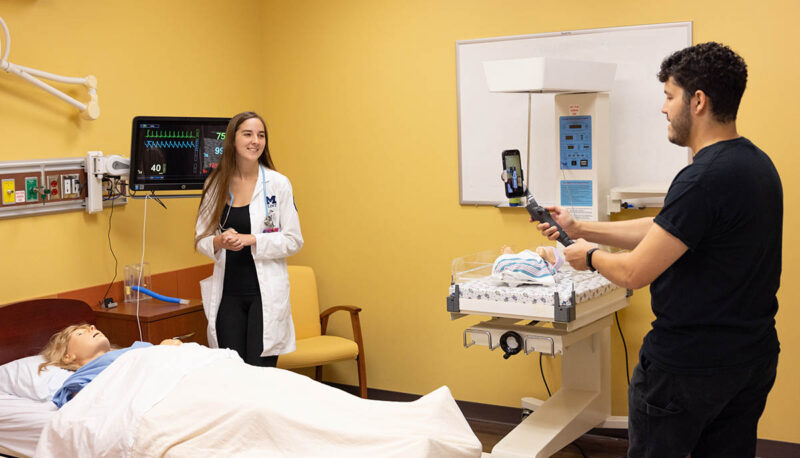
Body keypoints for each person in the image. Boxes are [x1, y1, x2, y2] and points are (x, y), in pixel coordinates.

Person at [536, 42, 781, 457]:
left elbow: (634, 273)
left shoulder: (701, 178)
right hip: (749, 359)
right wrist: (580, 228)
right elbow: (666, 229)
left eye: (669, 96)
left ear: (698, 101)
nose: (663, 108)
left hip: (688, 367)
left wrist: (586, 257)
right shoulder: (755, 165)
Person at [194, 111, 303, 367]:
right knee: (233, 373)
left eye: (261, 135)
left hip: (264, 297)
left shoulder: (278, 184)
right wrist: (219, 242)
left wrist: (252, 240)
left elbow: (293, 240)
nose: (255, 141)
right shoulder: (215, 184)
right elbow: (201, 239)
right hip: (228, 296)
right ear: (233, 140)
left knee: (261, 376)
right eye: (248, 134)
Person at [37, 323, 181, 407]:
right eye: (81, 333)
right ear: (68, 357)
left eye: (91, 327)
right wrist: (162, 350)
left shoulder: (135, 348)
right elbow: (88, 403)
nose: (92, 327)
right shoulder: (83, 375)